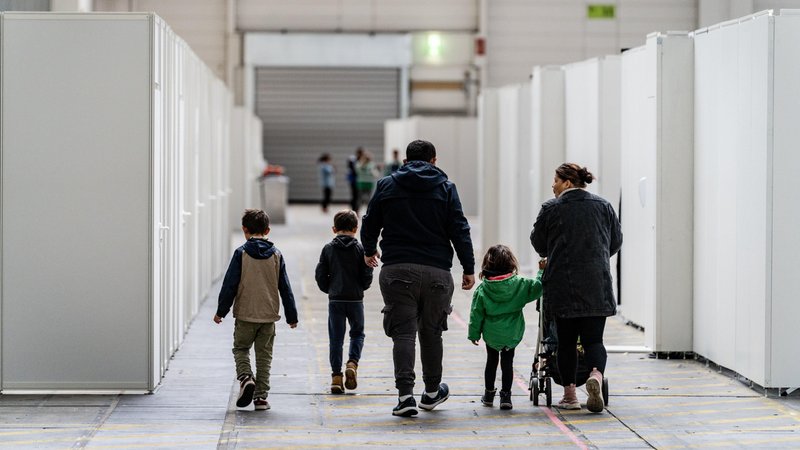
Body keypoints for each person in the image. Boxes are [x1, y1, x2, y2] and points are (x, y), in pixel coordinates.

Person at [361, 139, 475, 417]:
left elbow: (370, 220)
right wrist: (468, 267)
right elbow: (459, 228)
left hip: (397, 269)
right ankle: (433, 392)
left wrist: (368, 249)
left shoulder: (387, 185)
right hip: (437, 271)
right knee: (432, 332)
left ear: (404, 162)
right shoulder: (446, 188)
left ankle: (405, 396)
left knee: (403, 333)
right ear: (434, 161)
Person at [530, 163, 622, 413]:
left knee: (567, 342)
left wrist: (554, 251)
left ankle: (570, 396)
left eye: (555, 180)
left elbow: (538, 242)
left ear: (567, 183)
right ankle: (595, 374)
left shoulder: (551, 208)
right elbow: (615, 242)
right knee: (594, 340)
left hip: (563, 285)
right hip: (596, 284)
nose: (552, 185)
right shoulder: (603, 206)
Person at [214, 209, 299, 411]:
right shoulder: (277, 255)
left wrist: (221, 311)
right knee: (264, 356)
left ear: (245, 230)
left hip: (245, 314)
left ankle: (245, 377)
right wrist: (292, 316)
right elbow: (285, 288)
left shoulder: (241, 254)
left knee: (241, 348)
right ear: (268, 230)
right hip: (268, 316)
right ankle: (261, 398)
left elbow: (229, 285)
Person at [468, 245, 544, 410]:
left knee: (491, 361)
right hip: (511, 332)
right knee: (507, 363)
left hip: (491, 333)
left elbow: (476, 314)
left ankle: (488, 395)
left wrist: (474, 334)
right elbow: (538, 288)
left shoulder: (482, 289)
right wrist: (541, 271)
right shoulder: (520, 284)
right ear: (511, 264)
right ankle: (506, 397)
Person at [315, 210, 373, 394]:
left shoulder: (328, 249)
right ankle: (352, 363)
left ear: (334, 229)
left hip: (336, 300)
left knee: (336, 339)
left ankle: (336, 378)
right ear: (356, 229)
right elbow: (367, 273)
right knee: (357, 334)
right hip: (355, 299)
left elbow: (320, 275)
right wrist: (362, 286)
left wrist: (329, 289)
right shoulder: (361, 249)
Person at [347, 147, 364, 212]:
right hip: (354, 180)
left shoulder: (359, 160)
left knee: (357, 196)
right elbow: (353, 169)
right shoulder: (353, 159)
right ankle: (354, 209)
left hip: (358, 180)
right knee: (355, 195)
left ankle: (355, 209)